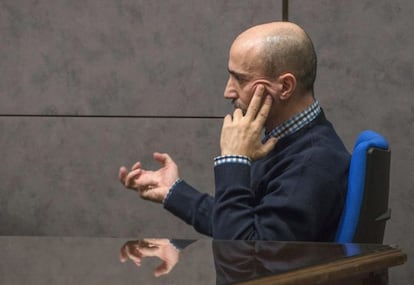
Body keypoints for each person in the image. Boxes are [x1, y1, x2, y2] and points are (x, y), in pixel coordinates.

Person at [119, 21, 350, 241]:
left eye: (240, 79)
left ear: (285, 87)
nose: (228, 91)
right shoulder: (290, 141)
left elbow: (244, 252)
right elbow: (240, 225)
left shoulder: (312, 163)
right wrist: (173, 191)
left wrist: (233, 160)